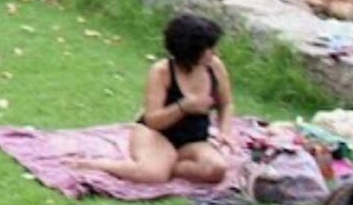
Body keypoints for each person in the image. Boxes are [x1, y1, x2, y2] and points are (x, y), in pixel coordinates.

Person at [69, 14, 239, 185]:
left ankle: (169, 165)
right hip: (157, 133)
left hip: (193, 139)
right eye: (209, 49)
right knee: (152, 176)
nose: (215, 53)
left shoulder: (214, 66)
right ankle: (99, 165)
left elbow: (226, 104)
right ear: (191, 51)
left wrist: (225, 132)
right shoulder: (161, 71)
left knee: (217, 169)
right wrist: (184, 106)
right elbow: (153, 120)